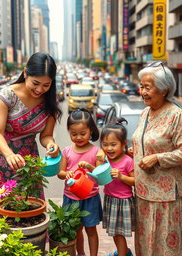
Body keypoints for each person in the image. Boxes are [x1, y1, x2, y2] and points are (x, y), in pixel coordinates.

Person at [0, 52, 62, 228]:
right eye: (35, 83)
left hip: (27, 161)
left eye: (46, 85)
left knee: (27, 210)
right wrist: (9, 154)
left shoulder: (50, 102)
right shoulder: (7, 96)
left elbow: (46, 136)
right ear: (25, 73)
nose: (40, 89)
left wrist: (51, 145)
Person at [132, 61, 182, 256]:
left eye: (147, 87)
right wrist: (132, 150)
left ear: (163, 89)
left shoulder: (176, 115)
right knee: (145, 246)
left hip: (166, 197)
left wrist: (157, 158)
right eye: (141, 86)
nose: (142, 91)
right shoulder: (145, 112)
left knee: (165, 247)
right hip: (143, 193)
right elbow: (145, 141)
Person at [57, 109, 103, 256]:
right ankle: (81, 253)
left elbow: (100, 175)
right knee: (76, 230)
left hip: (90, 198)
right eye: (73, 134)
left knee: (91, 230)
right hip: (71, 197)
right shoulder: (66, 151)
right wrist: (66, 174)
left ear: (91, 131)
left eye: (83, 134)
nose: (78, 137)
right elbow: (60, 173)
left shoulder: (96, 151)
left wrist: (90, 167)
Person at [99, 118, 135, 256]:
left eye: (113, 144)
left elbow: (135, 181)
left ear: (124, 143)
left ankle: (123, 254)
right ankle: (125, 252)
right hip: (110, 199)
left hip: (122, 202)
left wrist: (121, 177)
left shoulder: (127, 161)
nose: (109, 148)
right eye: (105, 144)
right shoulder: (106, 160)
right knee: (114, 233)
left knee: (119, 234)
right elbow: (98, 174)